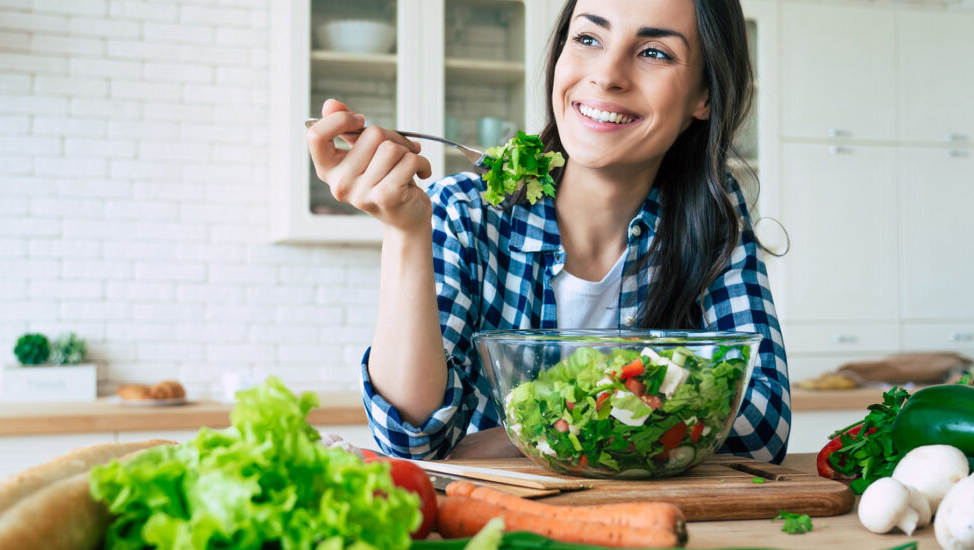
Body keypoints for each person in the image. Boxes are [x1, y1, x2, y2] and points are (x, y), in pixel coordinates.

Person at [306, 0, 790, 464]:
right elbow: (412, 440)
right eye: (587, 38)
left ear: (704, 95)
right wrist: (405, 231)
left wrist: (527, 433)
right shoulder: (466, 212)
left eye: (654, 52)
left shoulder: (712, 215)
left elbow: (762, 426)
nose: (606, 75)